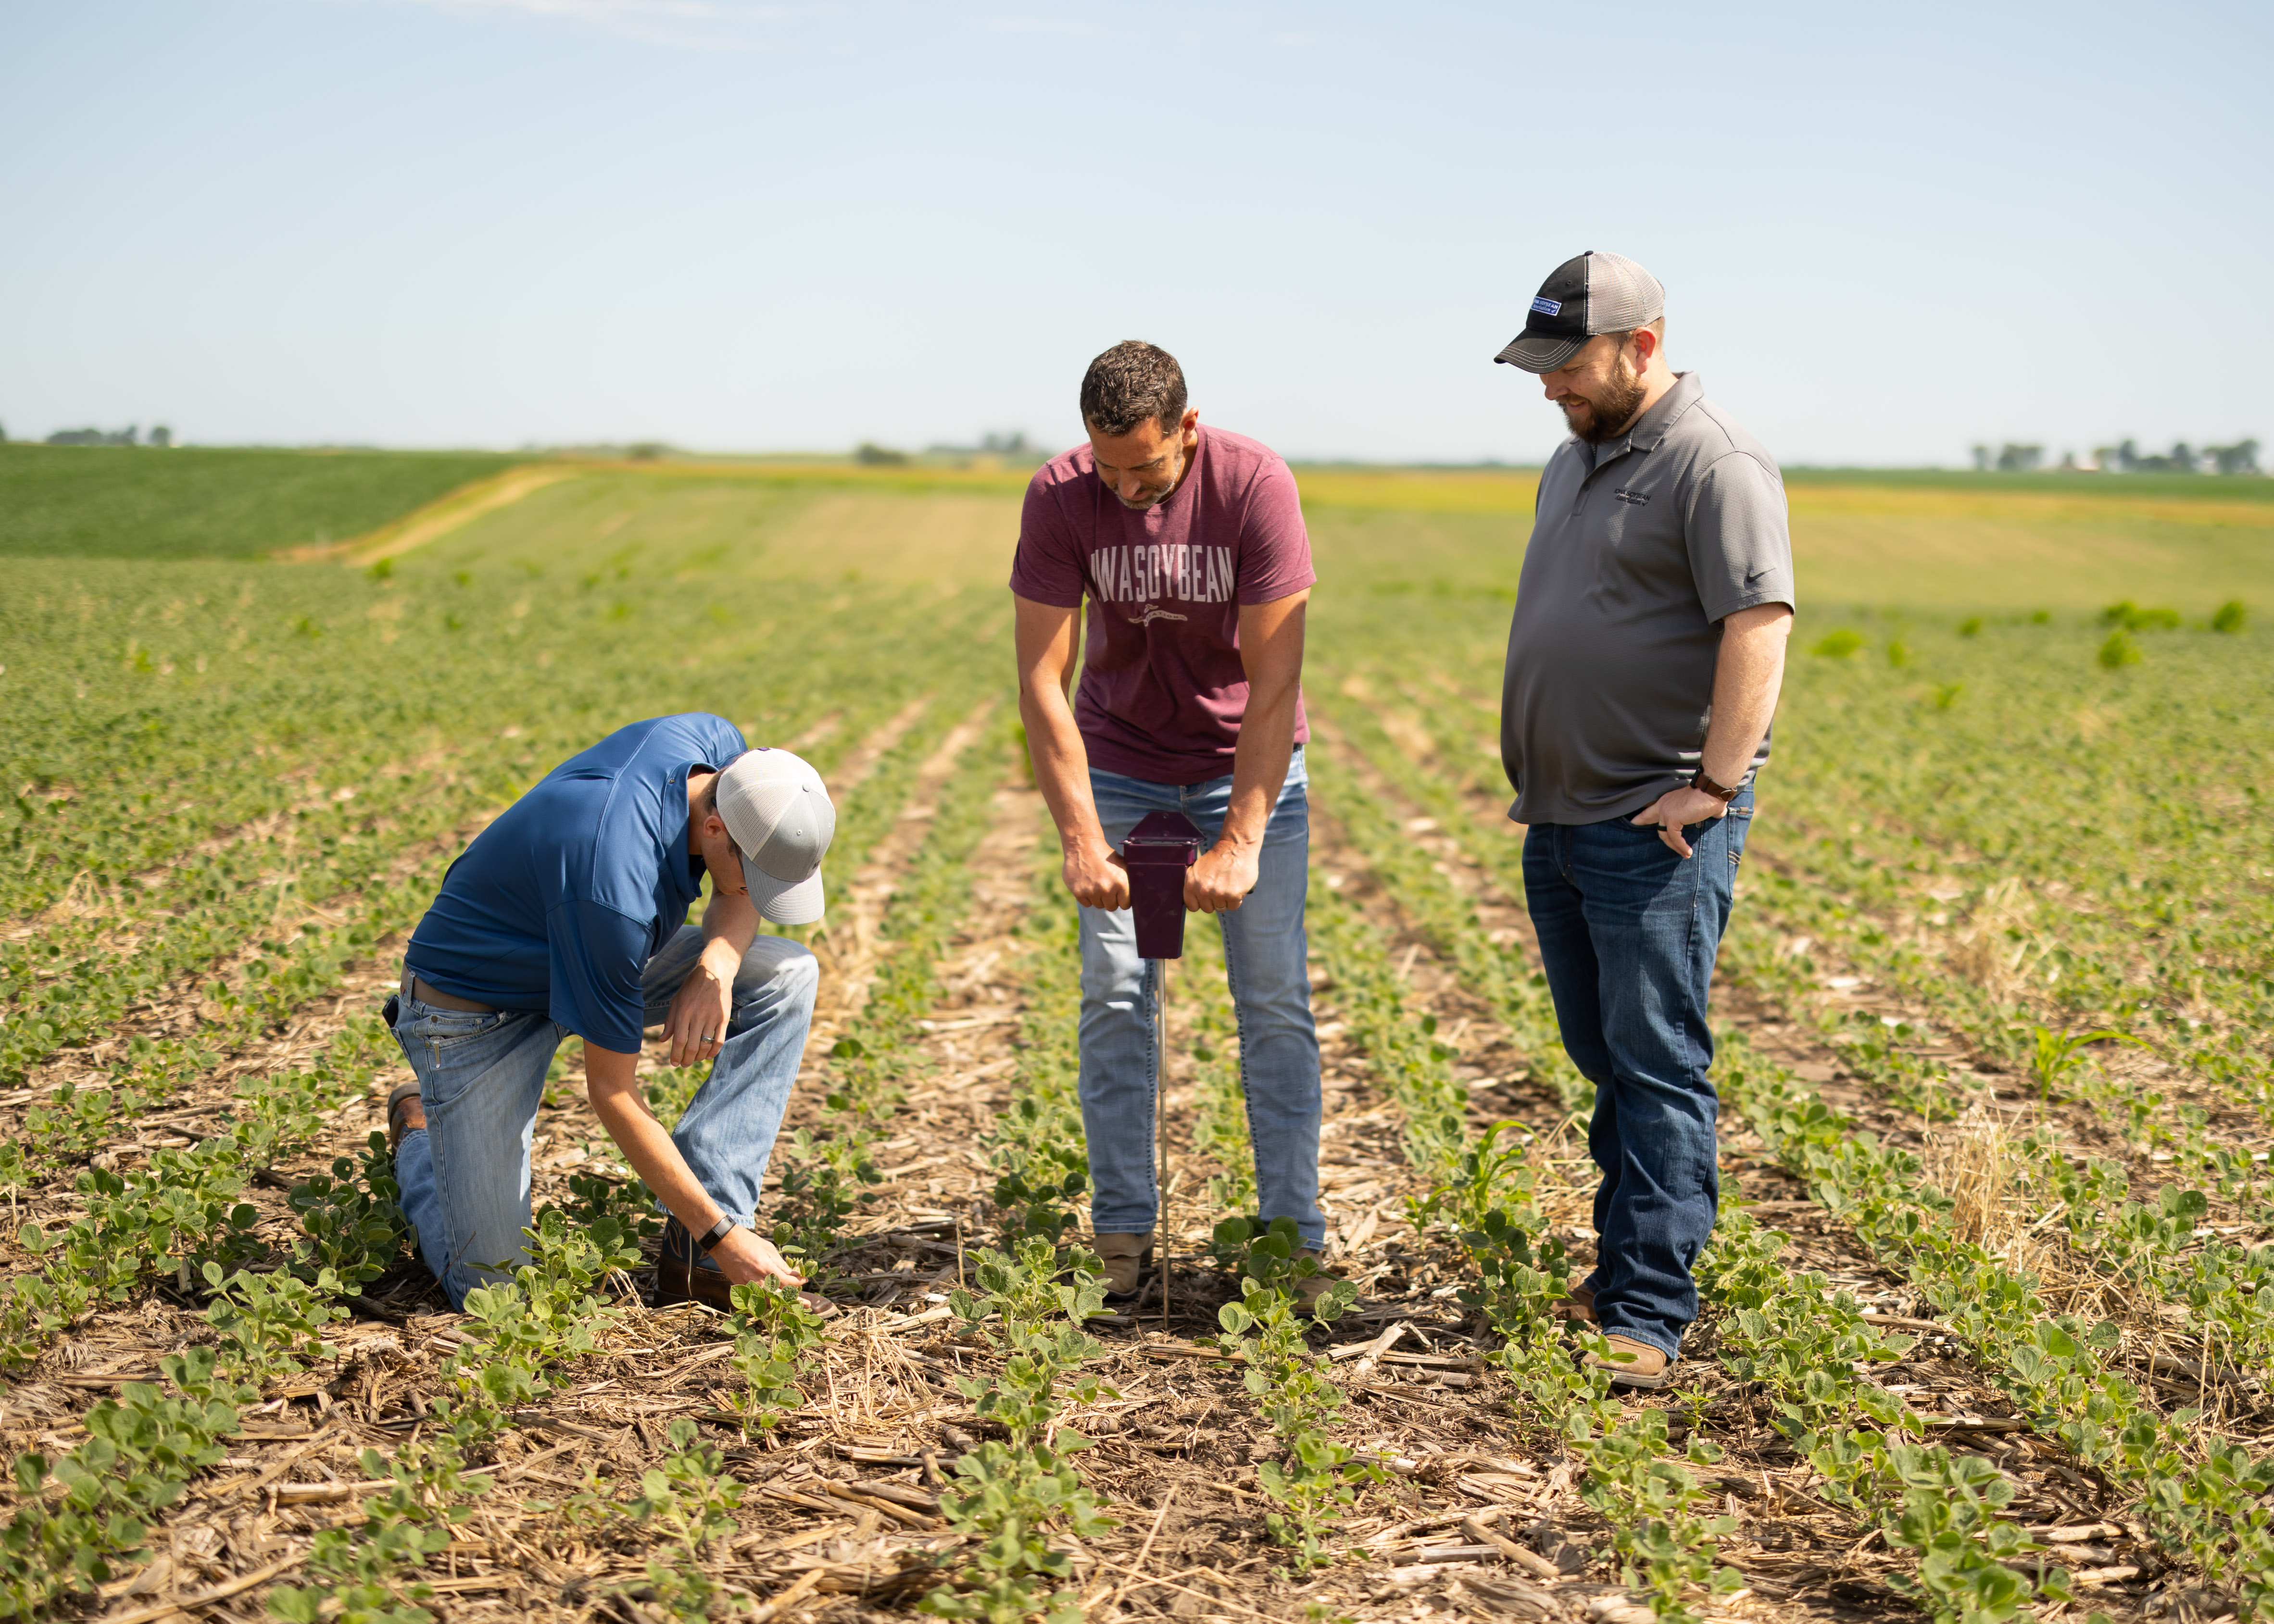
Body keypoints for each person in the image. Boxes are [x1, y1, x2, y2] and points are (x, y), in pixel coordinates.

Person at [1492, 252, 1796, 1388]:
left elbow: (1756, 623)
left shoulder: (1713, 462)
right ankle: (1623, 1257)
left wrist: (1712, 786)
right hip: (1563, 813)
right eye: (1537, 366)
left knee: (1655, 1061)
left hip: (1655, 822)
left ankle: (1650, 1307)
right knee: (1605, 1053)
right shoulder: (1575, 458)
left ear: (1640, 347)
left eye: (1563, 365)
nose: (1546, 387)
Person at [1010, 340, 1332, 1308]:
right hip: (1121, 765)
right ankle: (1122, 1236)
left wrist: (1240, 838)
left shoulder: (1253, 485)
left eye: (1145, 467)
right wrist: (1078, 835)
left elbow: (1276, 683)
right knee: (1115, 993)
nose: (1127, 487)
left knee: (1271, 999)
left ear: (1188, 429)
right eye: (1109, 467)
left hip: (1247, 758)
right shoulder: (1062, 495)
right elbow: (1041, 680)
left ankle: (1293, 1241)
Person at [381, 714, 835, 1312]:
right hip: (475, 1011)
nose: (755, 895)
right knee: (495, 1296)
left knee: (786, 975)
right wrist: (724, 1235)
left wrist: (715, 969)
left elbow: (732, 892)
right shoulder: (612, 886)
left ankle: (696, 1262)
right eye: (757, 880)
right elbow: (613, 1094)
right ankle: (420, 1131)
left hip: (592, 951)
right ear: (717, 827)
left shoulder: (717, 755)